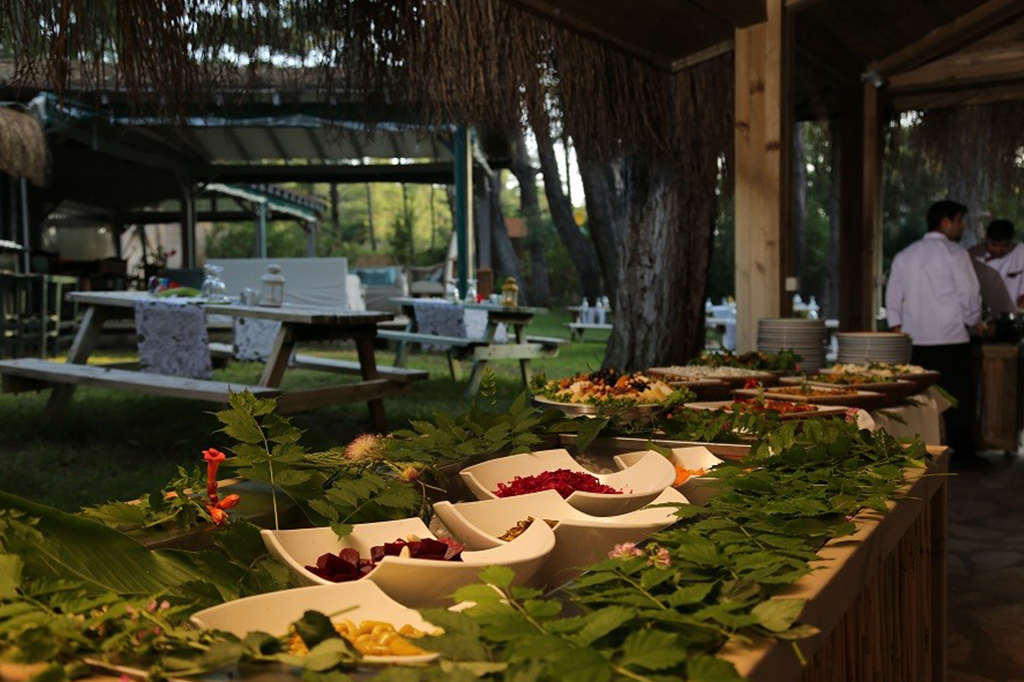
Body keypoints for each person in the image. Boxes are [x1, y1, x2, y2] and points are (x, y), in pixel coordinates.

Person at [885, 200, 986, 468]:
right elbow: (969, 294)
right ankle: (962, 454)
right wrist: (975, 320)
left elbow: (892, 296)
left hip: (916, 341)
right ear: (945, 222)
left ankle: (919, 450)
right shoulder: (956, 254)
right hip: (951, 339)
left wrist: (897, 326)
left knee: (918, 400)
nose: (962, 226)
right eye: (960, 220)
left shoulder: (905, 255)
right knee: (957, 400)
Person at [968, 219, 1024, 308]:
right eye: (993, 245)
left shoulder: (1020, 253)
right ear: (986, 238)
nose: (998, 250)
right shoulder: (971, 256)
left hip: (1013, 311)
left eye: (1004, 246)